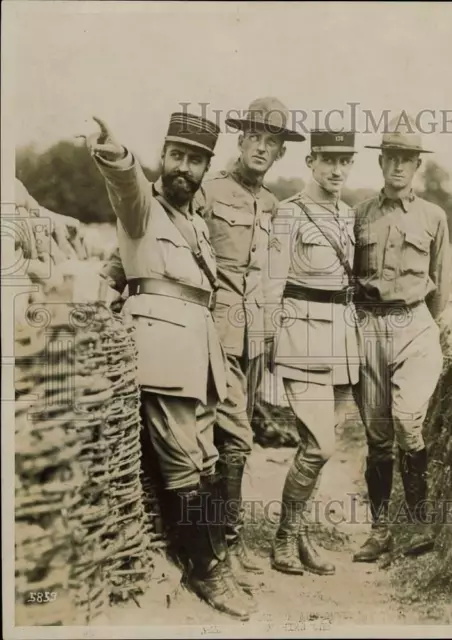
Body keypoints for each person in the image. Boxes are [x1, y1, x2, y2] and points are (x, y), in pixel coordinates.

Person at [99, 98, 306, 589]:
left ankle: (216, 549)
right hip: (200, 336)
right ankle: (216, 556)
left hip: (236, 340)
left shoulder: (267, 205)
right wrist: (115, 155)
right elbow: (133, 213)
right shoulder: (201, 195)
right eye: (255, 136)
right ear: (241, 141)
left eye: (272, 142)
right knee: (215, 447)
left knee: (228, 445)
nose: (262, 147)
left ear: (280, 152)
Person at [85, 112, 253, 620]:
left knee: (206, 462)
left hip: (198, 358)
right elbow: (126, 184)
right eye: (176, 156)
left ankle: (214, 555)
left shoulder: (198, 225)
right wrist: (116, 154)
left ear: (205, 168)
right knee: (184, 463)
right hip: (160, 356)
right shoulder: (142, 210)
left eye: (195, 160)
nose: (183, 168)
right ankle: (206, 572)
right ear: (162, 156)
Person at [352, 114, 450, 563]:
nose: (398, 167)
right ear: (381, 162)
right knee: (377, 436)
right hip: (370, 325)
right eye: (391, 157)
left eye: (406, 159)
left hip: (414, 325)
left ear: (417, 167)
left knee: (409, 421)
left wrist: (426, 330)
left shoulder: (434, 217)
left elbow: (440, 286)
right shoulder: (360, 214)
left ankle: (419, 523)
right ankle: (380, 531)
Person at [268, 130, 360, 575]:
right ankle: (284, 538)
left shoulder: (349, 216)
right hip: (302, 336)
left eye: (345, 161)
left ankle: (300, 536)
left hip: (343, 339)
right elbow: (272, 283)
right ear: (311, 161)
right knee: (320, 445)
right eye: (329, 160)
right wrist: (268, 346)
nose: (337, 170)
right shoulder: (288, 214)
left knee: (318, 444)